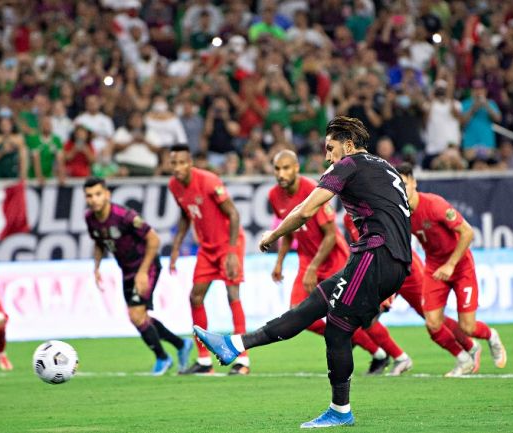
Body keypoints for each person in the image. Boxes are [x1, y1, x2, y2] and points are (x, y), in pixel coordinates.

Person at [195, 116, 412, 427]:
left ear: (348, 145)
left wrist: (272, 235)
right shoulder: (384, 166)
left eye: (330, 148)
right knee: (311, 306)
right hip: (388, 259)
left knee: (337, 328)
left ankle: (340, 410)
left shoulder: (347, 165)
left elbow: (306, 210)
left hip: (375, 257)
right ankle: (235, 345)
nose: (327, 156)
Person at [269, 150, 413, 376]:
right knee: (299, 314)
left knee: (355, 313)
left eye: (286, 167)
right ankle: (377, 352)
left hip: (333, 259)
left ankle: (398, 355)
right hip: (307, 260)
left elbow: (329, 235)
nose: (281, 173)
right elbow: (290, 230)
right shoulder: (273, 195)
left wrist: (314, 267)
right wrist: (279, 261)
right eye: (277, 169)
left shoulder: (312, 189)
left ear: (296, 167)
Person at [396, 163, 507, 376]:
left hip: (460, 265)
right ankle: (463, 359)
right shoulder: (402, 215)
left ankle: (491, 336)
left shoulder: (435, 205)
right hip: (435, 268)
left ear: (414, 183)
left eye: (404, 184)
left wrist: (451, 264)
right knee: (432, 323)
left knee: (468, 327)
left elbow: (467, 232)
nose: (401, 189)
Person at [343, 211, 482, 376]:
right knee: (366, 318)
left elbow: (393, 244)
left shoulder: (377, 207)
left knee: (434, 319)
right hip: (380, 273)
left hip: (407, 270)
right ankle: (401, 358)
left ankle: (470, 346)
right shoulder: (348, 218)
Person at [84, 178, 193, 375]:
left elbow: (154, 239)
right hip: (126, 270)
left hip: (146, 265)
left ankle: (162, 358)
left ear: (107, 194)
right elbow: (99, 241)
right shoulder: (90, 218)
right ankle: (181, 344)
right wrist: (97, 267)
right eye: (89, 196)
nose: (94, 200)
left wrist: (143, 272)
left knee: (136, 315)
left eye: (98, 194)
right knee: (140, 317)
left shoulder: (124, 216)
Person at [168, 144, 249, 375]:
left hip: (228, 244)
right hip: (206, 248)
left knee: (232, 294)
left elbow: (233, 213)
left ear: (190, 162)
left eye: (182, 162)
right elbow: (186, 214)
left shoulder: (209, 181)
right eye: (173, 163)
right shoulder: (174, 186)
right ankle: (204, 361)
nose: (178, 167)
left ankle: (242, 359)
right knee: (195, 297)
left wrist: (232, 251)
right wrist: (175, 248)